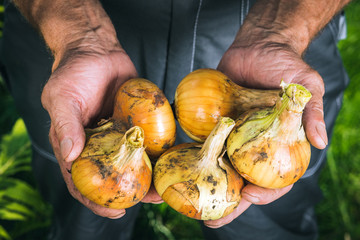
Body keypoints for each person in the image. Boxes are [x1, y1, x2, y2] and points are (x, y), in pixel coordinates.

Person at [0, 0, 351, 239]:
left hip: (270, 24)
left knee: (268, 216)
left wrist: (279, 32)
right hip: (66, 22)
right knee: (81, 200)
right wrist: (78, 34)